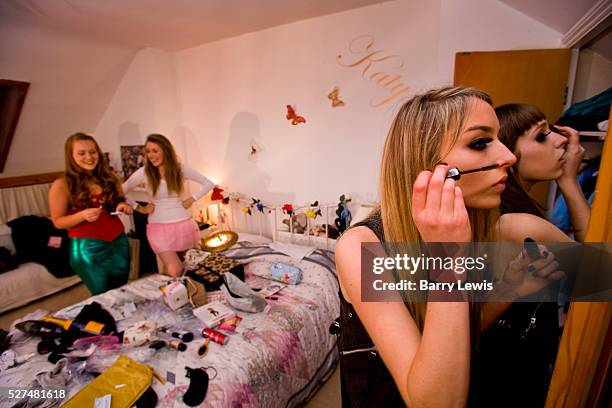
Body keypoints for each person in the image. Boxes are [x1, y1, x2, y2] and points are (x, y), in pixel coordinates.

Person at [335, 86, 571, 407]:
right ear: (425, 166)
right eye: (479, 143)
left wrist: (509, 289)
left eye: (499, 139)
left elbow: (460, 336)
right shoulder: (360, 248)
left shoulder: (490, 225)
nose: (509, 156)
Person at [49, 133, 132, 295]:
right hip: (87, 248)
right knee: (103, 296)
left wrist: (121, 205)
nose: (89, 157)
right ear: (71, 156)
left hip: (118, 242)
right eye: (81, 153)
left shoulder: (109, 177)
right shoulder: (62, 184)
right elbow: (57, 222)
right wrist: (82, 215)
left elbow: (114, 203)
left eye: (93, 152)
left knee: (121, 291)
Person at [122, 133, 215, 277]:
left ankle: (182, 294)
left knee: (189, 266)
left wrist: (192, 199)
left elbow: (209, 183)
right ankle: (173, 295)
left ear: (166, 150)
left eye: (155, 151)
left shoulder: (179, 169)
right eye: (148, 151)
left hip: (182, 225)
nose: (151, 155)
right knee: (175, 268)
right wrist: (139, 207)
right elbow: (122, 190)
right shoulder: (144, 172)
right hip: (158, 227)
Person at [495, 103, 590, 242]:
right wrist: (570, 181)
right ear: (508, 155)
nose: (562, 139)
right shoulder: (521, 226)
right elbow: (602, 260)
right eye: (541, 135)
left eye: (551, 129)